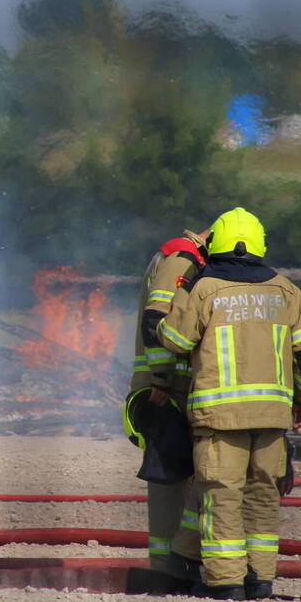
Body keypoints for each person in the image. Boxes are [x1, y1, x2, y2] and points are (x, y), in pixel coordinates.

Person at [157, 207, 301, 600]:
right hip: (272, 414)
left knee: (222, 496)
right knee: (263, 494)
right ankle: (260, 579)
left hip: (220, 417)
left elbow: (173, 341)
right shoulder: (286, 290)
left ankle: (225, 582)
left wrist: (176, 298)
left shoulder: (205, 289)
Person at [125, 227, 208, 575]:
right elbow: (156, 320)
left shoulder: (182, 255)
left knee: (181, 475)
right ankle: (167, 567)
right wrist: (160, 379)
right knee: (169, 479)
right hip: (166, 387)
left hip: (172, 383)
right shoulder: (183, 258)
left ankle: (177, 561)